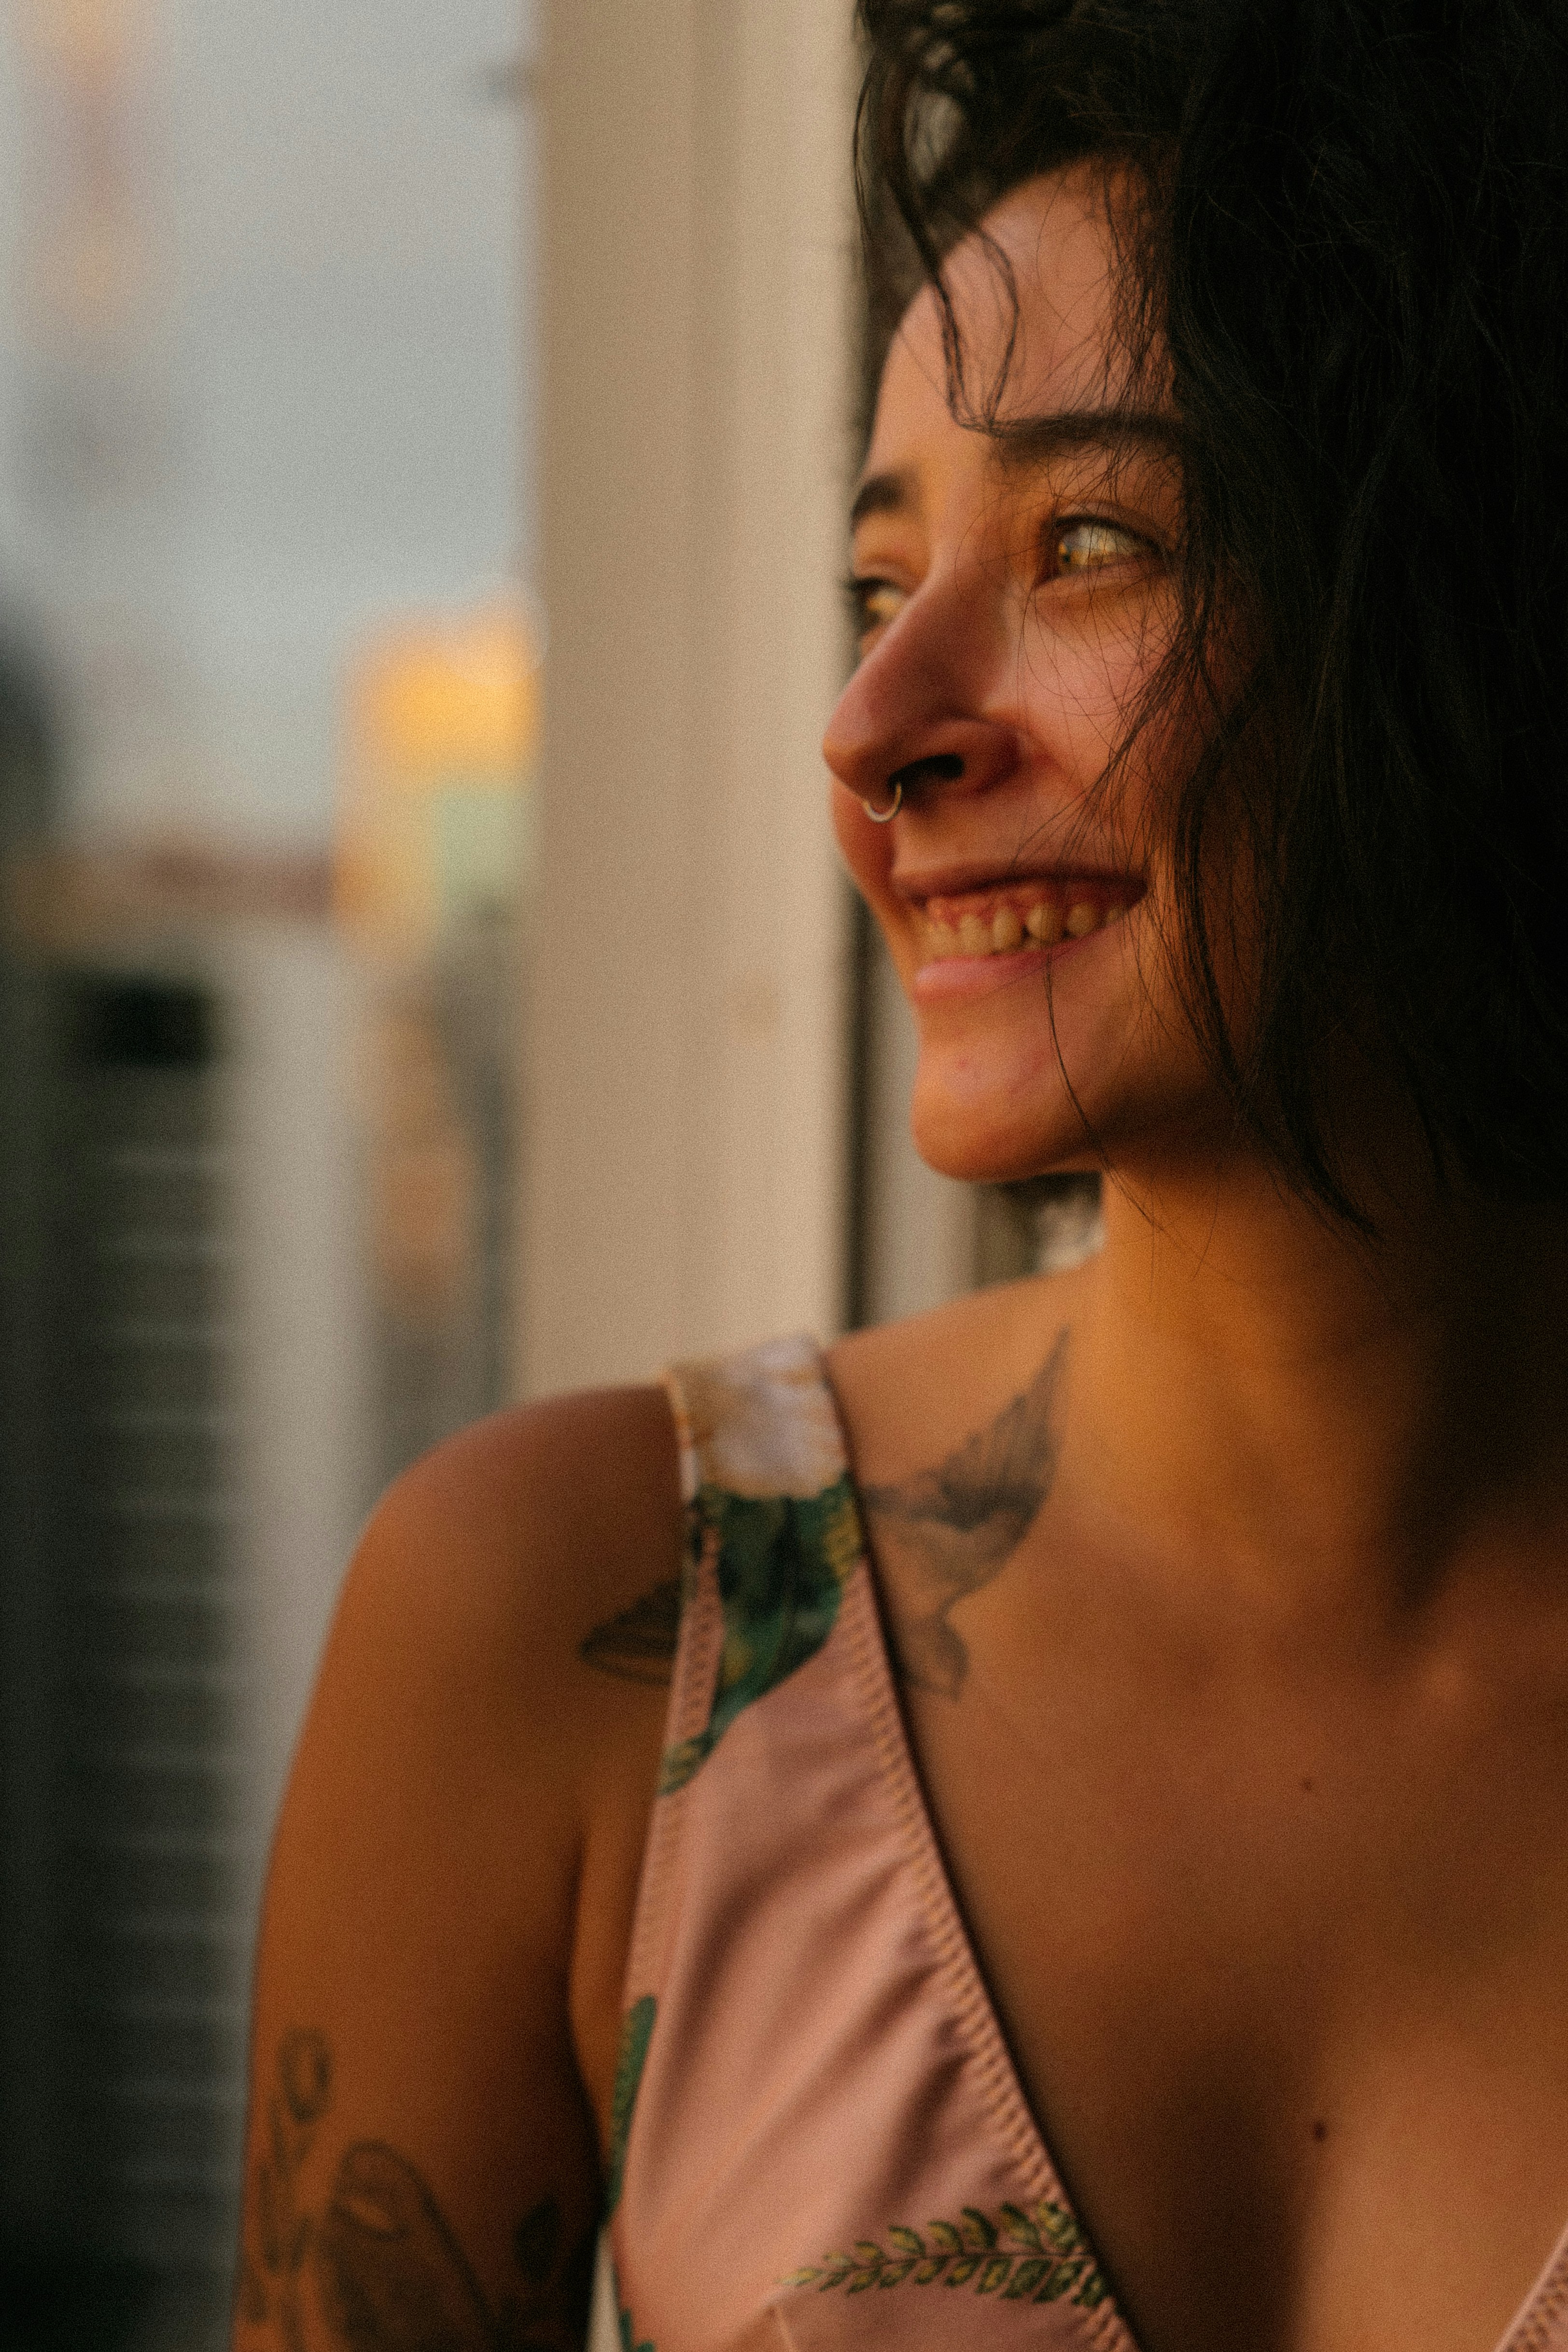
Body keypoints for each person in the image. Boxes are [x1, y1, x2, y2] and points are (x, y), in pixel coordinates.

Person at [231, 2, 1568, 2348]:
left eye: (1080, 544)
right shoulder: (551, 1634)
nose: (874, 729)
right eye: (875, 585)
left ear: (1472, 606)